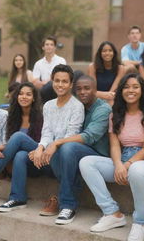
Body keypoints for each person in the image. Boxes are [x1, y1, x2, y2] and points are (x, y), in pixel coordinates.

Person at [0, 64, 84, 213]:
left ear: (71, 84)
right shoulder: (48, 106)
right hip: (41, 157)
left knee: (18, 137)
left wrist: (45, 148)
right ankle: (17, 198)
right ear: (52, 81)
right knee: (20, 155)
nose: (60, 84)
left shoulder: (76, 107)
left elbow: (71, 136)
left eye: (64, 81)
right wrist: (40, 148)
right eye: (57, 80)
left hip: (60, 159)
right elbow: (47, 133)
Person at [80, 73, 144, 241]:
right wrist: (118, 164)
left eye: (135, 86)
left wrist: (126, 165)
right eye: (126, 87)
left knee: (137, 169)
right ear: (121, 91)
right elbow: (115, 145)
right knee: (86, 162)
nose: (130, 90)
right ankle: (112, 213)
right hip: (124, 161)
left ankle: (140, 223)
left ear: (142, 90)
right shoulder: (115, 114)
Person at [39, 74, 111, 224]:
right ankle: (74, 185)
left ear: (95, 90)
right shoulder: (78, 106)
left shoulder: (103, 109)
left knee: (67, 146)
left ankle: (68, 205)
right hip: (77, 153)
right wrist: (44, 146)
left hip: (97, 154)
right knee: (57, 149)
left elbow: (89, 136)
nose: (83, 92)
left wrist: (57, 142)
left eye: (87, 88)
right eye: (79, 89)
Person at [32, 36, 66, 103]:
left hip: (58, 90)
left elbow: (62, 78)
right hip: (43, 91)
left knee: (51, 84)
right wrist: (48, 82)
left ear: (55, 47)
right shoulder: (38, 63)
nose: (49, 46)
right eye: (47, 44)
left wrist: (47, 82)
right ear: (43, 47)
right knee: (49, 85)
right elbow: (35, 82)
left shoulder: (61, 61)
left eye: (51, 44)